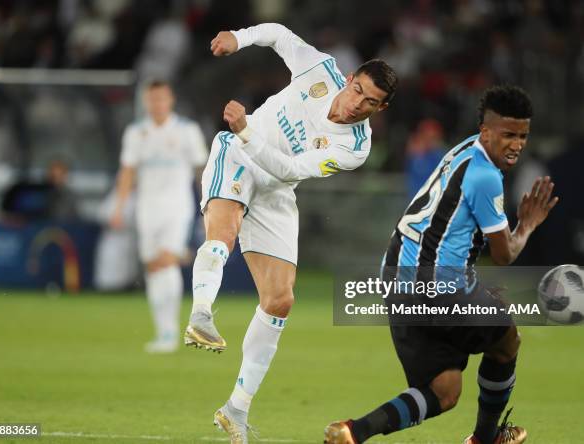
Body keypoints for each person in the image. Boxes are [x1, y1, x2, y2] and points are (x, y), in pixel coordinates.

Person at [183, 23, 398, 442]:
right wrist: (238, 38)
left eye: (371, 103)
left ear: (381, 108)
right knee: (223, 236)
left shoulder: (356, 148)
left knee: (280, 300)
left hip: (276, 187)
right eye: (358, 92)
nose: (358, 105)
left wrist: (246, 127)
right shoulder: (321, 70)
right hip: (237, 157)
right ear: (350, 79)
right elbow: (280, 34)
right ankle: (202, 313)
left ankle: (236, 410)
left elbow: (289, 169)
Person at [324, 85, 558, 444]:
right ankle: (485, 438)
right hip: (438, 286)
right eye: (508, 134)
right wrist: (527, 225)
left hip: (396, 279)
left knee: (442, 392)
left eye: (523, 135)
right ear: (486, 131)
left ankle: (354, 431)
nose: (517, 144)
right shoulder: (485, 177)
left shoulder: (464, 150)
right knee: (508, 340)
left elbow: (453, 234)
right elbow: (504, 254)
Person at [111, 80, 208, 353]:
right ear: (146, 101)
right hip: (147, 208)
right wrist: (119, 207)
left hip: (177, 206)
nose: (157, 104)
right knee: (153, 266)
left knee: (167, 259)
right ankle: (162, 330)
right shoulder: (136, 132)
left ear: (170, 100)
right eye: (152, 99)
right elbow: (127, 172)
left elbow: (202, 170)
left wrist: (208, 205)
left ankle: (171, 333)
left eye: (161, 99)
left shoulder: (187, 131)